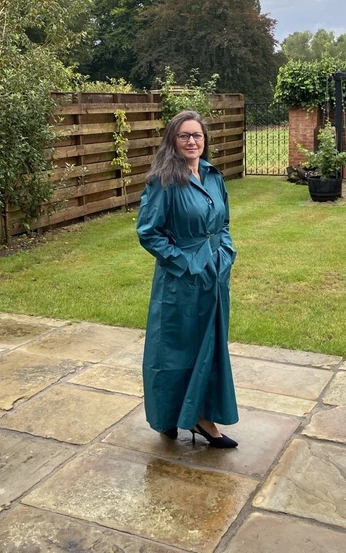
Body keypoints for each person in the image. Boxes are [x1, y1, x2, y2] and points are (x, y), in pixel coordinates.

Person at [137, 110, 239, 448]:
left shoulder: (213, 176)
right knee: (174, 352)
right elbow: (148, 232)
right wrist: (186, 263)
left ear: (205, 139)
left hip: (214, 276)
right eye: (184, 135)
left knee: (208, 348)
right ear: (173, 140)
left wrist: (225, 254)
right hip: (180, 281)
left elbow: (223, 223)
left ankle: (201, 416)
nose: (192, 141)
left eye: (197, 135)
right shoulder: (163, 180)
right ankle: (169, 416)